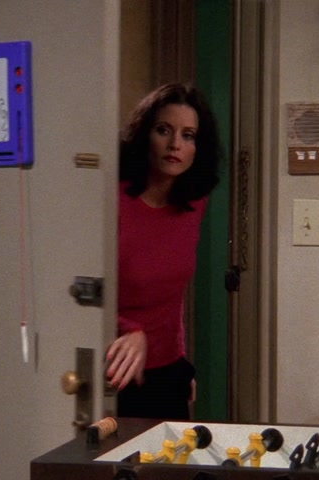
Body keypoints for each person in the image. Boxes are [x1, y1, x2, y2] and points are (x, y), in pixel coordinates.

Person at [105, 83, 223, 420]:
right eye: (164, 130)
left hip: (168, 370)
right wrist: (128, 328)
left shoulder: (194, 203)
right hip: (115, 366)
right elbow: (81, 289)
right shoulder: (113, 199)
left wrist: (180, 362)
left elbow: (172, 296)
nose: (175, 145)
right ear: (145, 134)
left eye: (188, 135)